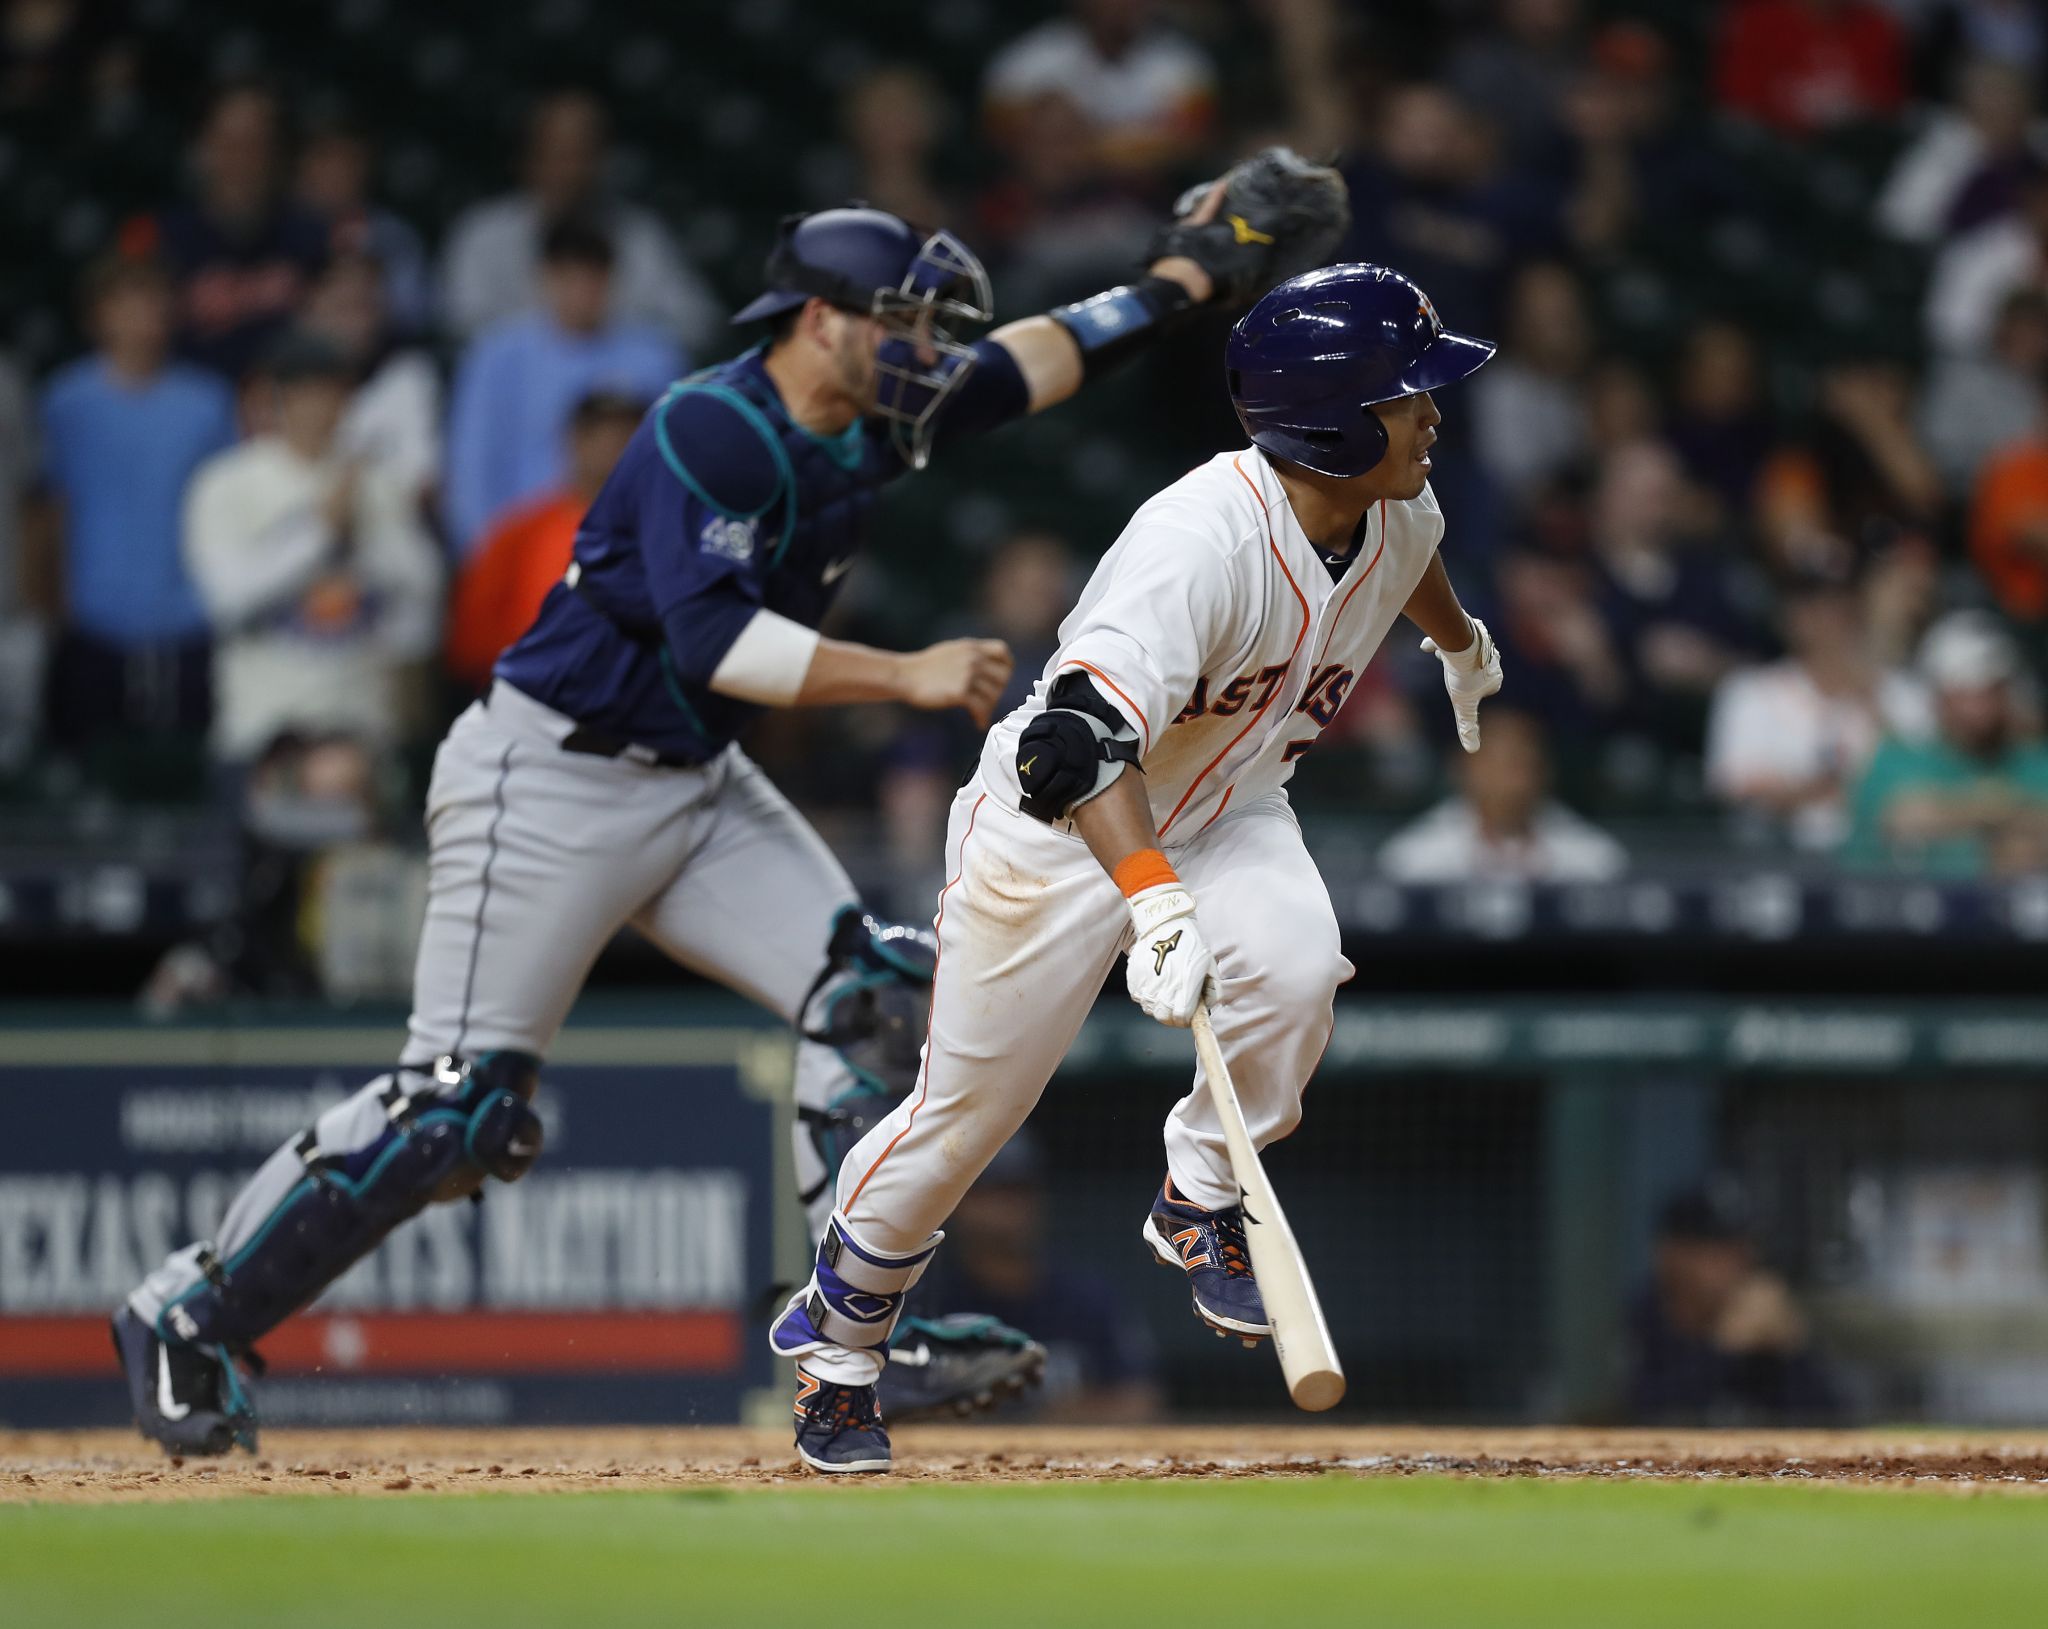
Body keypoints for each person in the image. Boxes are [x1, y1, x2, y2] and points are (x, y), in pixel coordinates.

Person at [111, 154, 1349, 1460]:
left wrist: (1175, 281)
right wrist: (904, 670)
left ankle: (853, 1319)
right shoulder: (713, 425)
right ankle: (184, 1314)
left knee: (864, 998)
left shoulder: (877, 410)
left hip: (693, 782)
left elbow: (1028, 365)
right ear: (821, 319)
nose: (925, 348)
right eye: (902, 323)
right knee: (458, 1110)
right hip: (546, 777)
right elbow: (714, 641)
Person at [766, 263, 1504, 1473]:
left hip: (1227, 806)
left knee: (1297, 966)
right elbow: (1070, 747)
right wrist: (1150, 899)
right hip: (1056, 833)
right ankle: (841, 1350)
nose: (1431, 413)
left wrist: (1458, 644)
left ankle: (1198, 1191)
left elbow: (1409, 557)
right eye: (1406, 393)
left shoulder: (1392, 503)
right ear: (1325, 419)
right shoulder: (1194, 542)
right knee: (964, 1121)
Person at [181, 331, 442, 765]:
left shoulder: (376, 483)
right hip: (263, 729)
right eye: (304, 393)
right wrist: (318, 535)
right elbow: (227, 600)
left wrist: (363, 535)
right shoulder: (227, 483)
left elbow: (424, 587)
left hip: (361, 726)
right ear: (276, 398)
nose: (318, 408)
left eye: (330, 392)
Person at [36, 254, 239, 751]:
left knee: (184, 772)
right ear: (96, 316)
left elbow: (229, 508)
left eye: (153, 301)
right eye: (126, 303)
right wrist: (50, 603)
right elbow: (42, 511)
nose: (143, 315)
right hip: (91, 622)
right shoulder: (65, 402)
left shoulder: (208, 402)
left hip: (189, 619)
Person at [442, 217, 682, 555]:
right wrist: (489, 555)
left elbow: (672, 468)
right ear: (545, 277)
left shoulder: (654, 357)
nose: (581, 292)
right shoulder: (497, 355)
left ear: (611, 279)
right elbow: (470, 471)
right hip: (520, 548)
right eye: (569, 277)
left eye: (593, 278)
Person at [437, 88, 721, 349]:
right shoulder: (483, 234)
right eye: (556, 154)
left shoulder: (639, 234)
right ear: (527, 159)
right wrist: (558, 331)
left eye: (582, 155)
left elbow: (697, 324)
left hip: (618, 392)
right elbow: (461, 325)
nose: (570, 172)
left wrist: (605, 331)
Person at [1704, 566, 1932, 850]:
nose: (1826, 620)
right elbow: (1737, 789)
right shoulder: (1749, 692)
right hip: (1777, 855)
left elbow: (1924, 783)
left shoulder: (1903, 693)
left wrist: (1872, 704)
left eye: (1839, 606)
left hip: (1881, 859)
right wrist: (1843, 790)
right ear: (1789, 618)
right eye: (1811, 607)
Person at [121, 79, 332, 381]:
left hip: (291, 406)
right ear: (202, 149)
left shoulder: (313, 237)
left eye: (255, 144)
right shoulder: (158, 236)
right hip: (187, 409)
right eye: (228, 144)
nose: (241, 160)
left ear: (276, 152)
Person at [444, 390, 646, 692]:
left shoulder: (667, 534)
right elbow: (471, 643)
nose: (612, 447)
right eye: (600, 435)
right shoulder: (518, 534)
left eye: (625, 437)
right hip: (533, 699)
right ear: (573, 440)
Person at [1843, 610, 2048, 876]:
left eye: (1993, 688)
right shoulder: (1898, 756)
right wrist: (2000, 810)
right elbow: (1903, 817)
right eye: (1966, 690)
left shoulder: (2032, 760)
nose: (1981, 705)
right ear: (1937, 694)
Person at [1627, 1188, 1842, 1425]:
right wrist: (1723, 1350)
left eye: (1739, 1250)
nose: (1732, 1265)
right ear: (1670, 1254)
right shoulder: (1643, 1320)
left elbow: (1832, 1423)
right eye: (1713, 1252)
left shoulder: (1763, 1321)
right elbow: (1643, 1418)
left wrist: (1795, 1354)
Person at [983, 0, 1218, 186]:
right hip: (1041, 210)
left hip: (1146, 208)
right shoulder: (1028, 61)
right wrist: (1127, 144)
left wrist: (1079, 146)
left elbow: (1190, 145)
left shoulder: (1183, 64)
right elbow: (1003, 139)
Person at [1379, 707, 1624, 881]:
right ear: (1465, 769)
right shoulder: (1417, 859)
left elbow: (1608, 866)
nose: (1517, 780)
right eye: (1502, 764)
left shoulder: (1589, 858)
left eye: (1527, 764)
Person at [293, 116, 434, 338]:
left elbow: (414, 315)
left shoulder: (393, 236)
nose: (337, 172)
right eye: (326, 158)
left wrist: (366, 294)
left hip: (378, 357)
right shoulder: (277, 230)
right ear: (303, 165)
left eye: (349, 160)